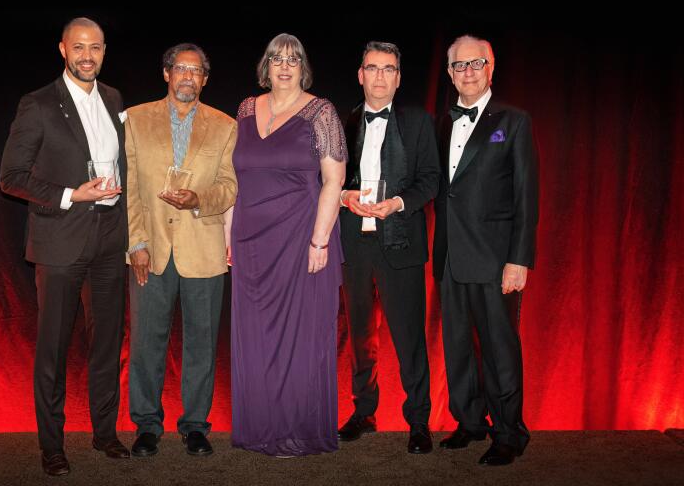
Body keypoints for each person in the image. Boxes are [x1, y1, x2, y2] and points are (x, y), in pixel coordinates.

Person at [0, 17, 130, 476]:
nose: (87, 55)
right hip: (59, 242)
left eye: (95, 47)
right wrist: (72, 194)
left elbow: (122, 170)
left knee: (108, 344)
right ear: (62, 50)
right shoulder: (37, 105)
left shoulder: (114, 99)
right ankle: (51, 446)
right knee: (53, 350)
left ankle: (105, 435)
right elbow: (11, 178)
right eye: (79, 47)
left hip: (111, 241)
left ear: (104, 50)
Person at [230, 33, 346, 457]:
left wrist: (319, 241)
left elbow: (333, 180)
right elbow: (235, 178)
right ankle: (261, 427)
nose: (284, 66)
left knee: (301, 337)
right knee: (257, 337)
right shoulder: (245, 108)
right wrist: (228, 234)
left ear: (303, 67)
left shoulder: (322, 112)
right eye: (276, 58)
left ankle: (298, 429)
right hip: (250, 242)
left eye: (293, 59)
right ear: (266, 65)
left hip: (301, 239)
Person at [125, 43, 237, 458]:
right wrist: (136, 243)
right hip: (150, 248)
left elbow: (229, 186)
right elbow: (131, 188)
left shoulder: (226, 125)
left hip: (203, 249)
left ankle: (195, 426)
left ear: (205, 79)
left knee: (202, 344)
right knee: (146, 343)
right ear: (167, 73)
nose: (188, 77)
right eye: (180, 69)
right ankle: (146, 426)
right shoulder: (135, 120)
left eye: (197, 71)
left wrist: (199, 200)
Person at [433, 35, 539, 466]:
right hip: (449, 257)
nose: (469, 71)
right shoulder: (442, 122)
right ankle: (471, 422)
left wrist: (520, 259)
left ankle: (511, 431)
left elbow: (526, 196)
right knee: (457, 346)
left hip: (496, 260)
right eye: (460, 65)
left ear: (491, 67)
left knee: (499, 348)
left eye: (477, 63)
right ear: (449, 73)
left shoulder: (514, 121)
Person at [338, 42, 440, 454]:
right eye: (372, 68)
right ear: (360, 74)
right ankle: (364, 412)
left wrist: (398, 203)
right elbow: (328, 180)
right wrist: (347, 197)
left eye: (389, 69)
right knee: (360, 336)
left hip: (401, 244)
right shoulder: (341, 122)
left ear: (398, 78)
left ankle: (419, 421)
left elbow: (431, 180)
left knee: (409, 337)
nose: (380, 77)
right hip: (355, 244)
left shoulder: (418, 122)